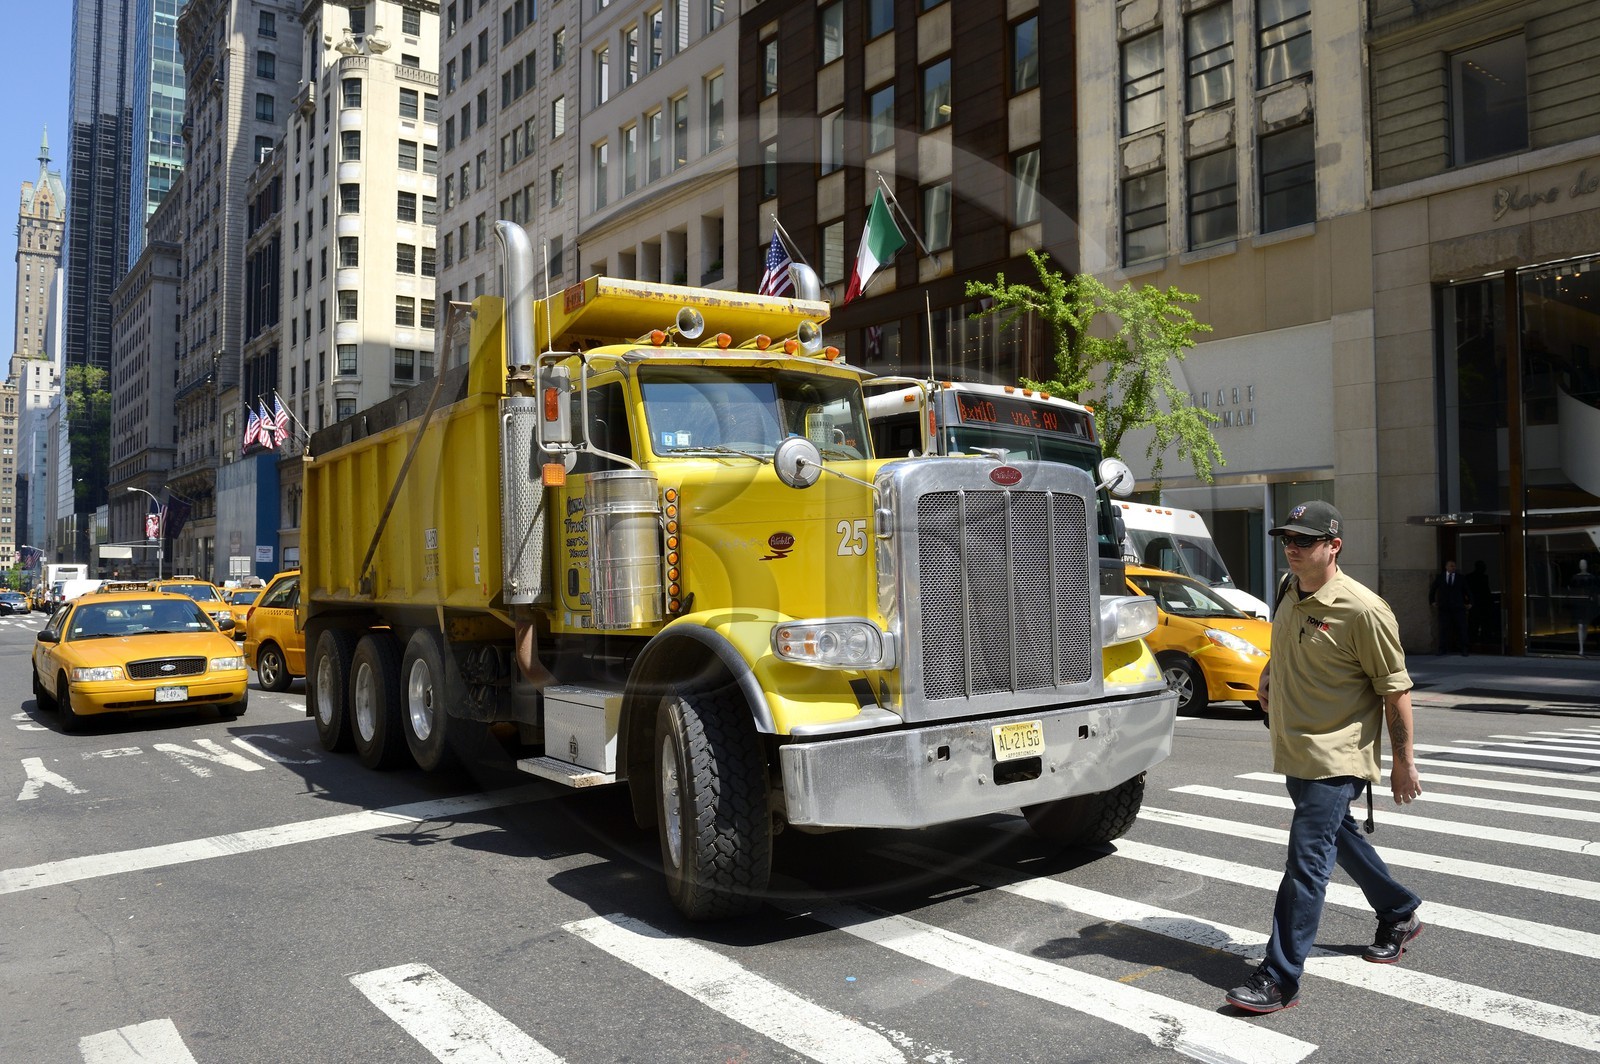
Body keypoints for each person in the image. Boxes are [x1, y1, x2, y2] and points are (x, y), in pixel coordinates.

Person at [1225, 501, 1423, 1014]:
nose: (1291, 548)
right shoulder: (1289, 589)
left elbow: (1396, 689)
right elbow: (1285, 643)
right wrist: (1269, 673)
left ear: (1333, 546)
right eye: (1287, 539)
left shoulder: (1363, 610)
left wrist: (1403, 761)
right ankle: (1398, 909)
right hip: (1295, 746)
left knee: (1306, 860)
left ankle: (1279, 976)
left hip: (1338, 756)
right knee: (1338, 837)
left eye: (1304, 540)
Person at [1428, 559, 1470, 656]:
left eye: (1454, 566)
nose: (1453, 567)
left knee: (1461, 628)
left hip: (1458, 607)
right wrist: (1432, 601)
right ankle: (1442, 649)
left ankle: (1464, 648)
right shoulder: (1440, 577)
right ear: (1446, 567)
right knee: (1443, 629)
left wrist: (1469, 602)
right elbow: (1433, 589)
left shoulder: (1460, 578)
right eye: (1451, 566)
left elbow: (1466, 590)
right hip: (1444, 607)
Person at [1465, 561, 1494, 646]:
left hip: (1479, 603)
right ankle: (1477, 641)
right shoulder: (1479, 577)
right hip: (1478, 603)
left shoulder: (1473, 577)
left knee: (1476, 623)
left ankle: (1475, 640)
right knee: (1477, 623)